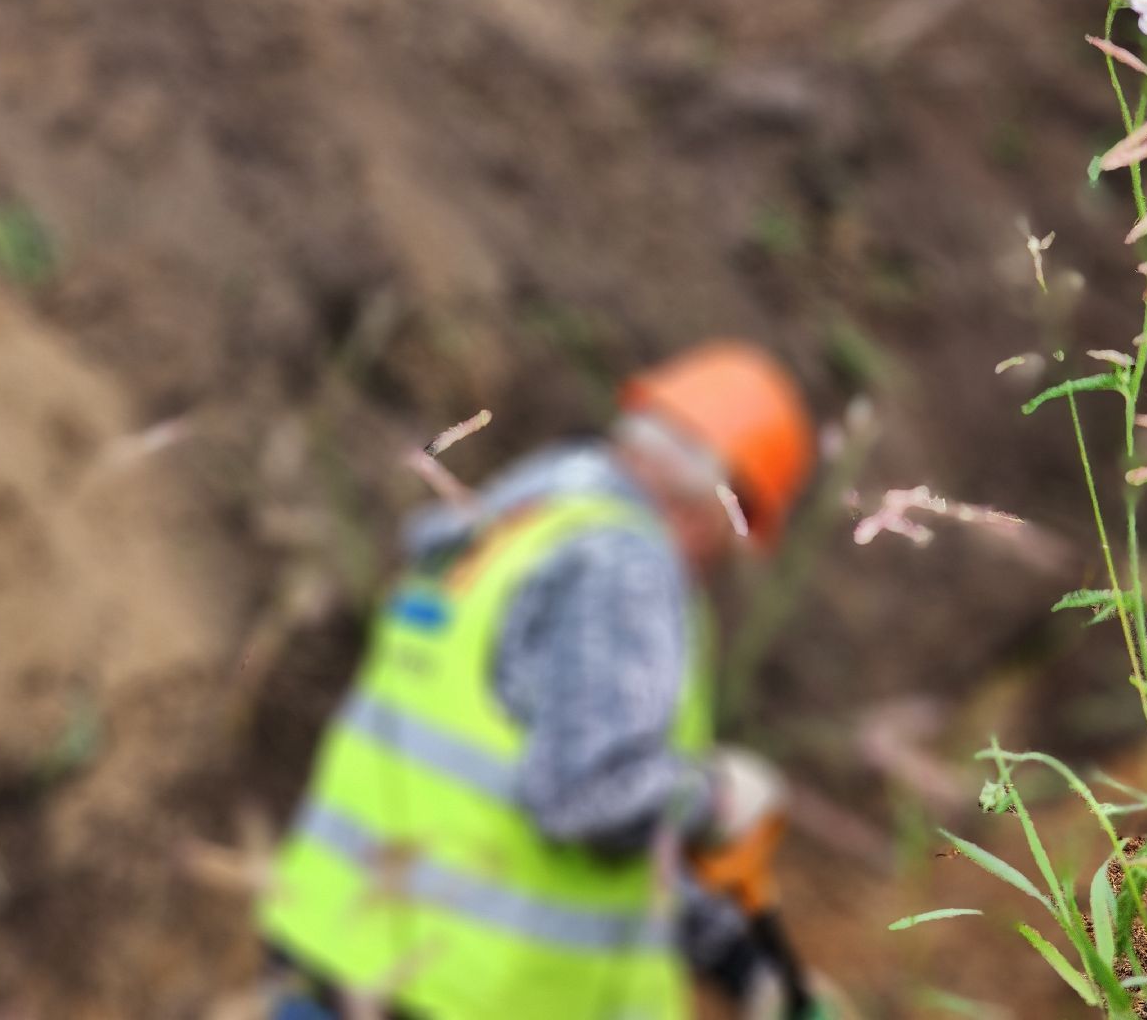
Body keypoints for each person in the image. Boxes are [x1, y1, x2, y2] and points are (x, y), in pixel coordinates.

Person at [258, 341, 817, 1020]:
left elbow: (521, 783)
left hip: (334, 951)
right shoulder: (620, 565)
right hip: (453, 990)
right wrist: (719, 798)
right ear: (723, 505)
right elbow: (585, 796)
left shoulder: (507, 527)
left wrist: (733, 952)